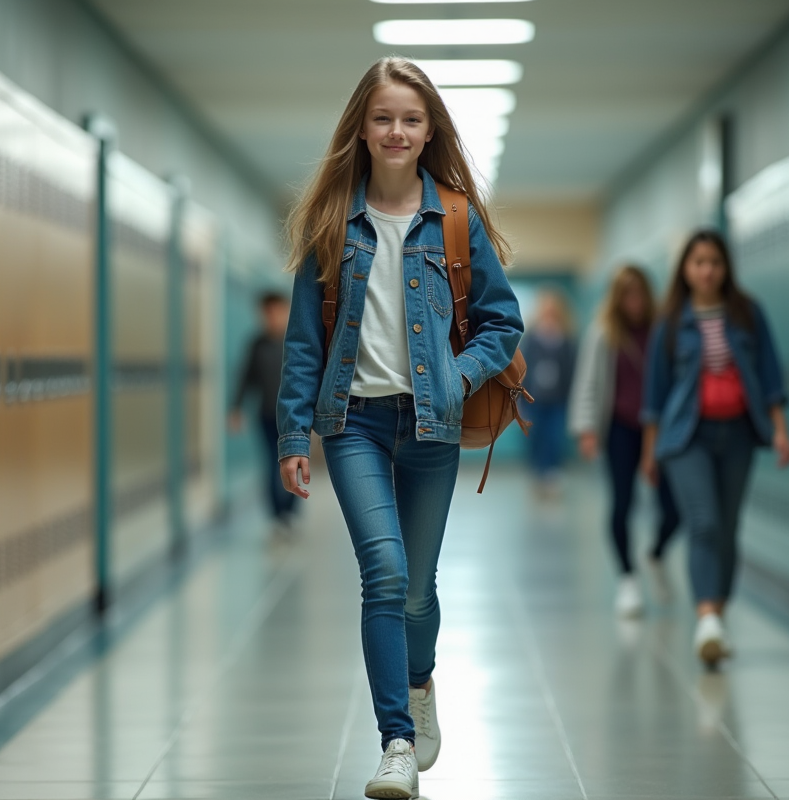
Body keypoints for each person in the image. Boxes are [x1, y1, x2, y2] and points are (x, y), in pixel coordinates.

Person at [276, 58, 523, 799]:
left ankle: (420, 683)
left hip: (431, 424)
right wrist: (294, 437)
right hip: (352, 422)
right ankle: (395, 741)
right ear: (362, 126)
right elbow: (302, 344)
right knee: (381, 573)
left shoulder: (453, 218)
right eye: (383, 117)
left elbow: (501, 323)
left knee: (417, 588)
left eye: (411, 119)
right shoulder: (330, 222)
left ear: (429, 131)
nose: (397, 130)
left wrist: (460, 373)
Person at [640, 230, 789, 668]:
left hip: (739, 433)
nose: (707, 270)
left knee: (727, 528)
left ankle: (717, 618)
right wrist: (651, 453)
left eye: (715, 263)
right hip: (688, 437)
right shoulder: (670, 323)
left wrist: (780, 431)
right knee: (703, 522)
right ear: (685, 270)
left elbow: (770, 379)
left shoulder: (747, 314)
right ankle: (706, 616)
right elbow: (656, 396)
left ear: (725, 269)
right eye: (699, 262)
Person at [569, 265, 680, 618]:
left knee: (675, 509)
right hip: (619, 428)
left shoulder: (663, 331)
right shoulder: (604, 333)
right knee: (622, 503)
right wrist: (587, 430)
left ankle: (657, 553)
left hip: (661, 430)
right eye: (626, 294)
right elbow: (588, 382)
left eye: (638, 293)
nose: (633, 301)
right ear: (617, 298)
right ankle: (628, 579)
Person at [229, 291, 295, 535]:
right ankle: (277, 516)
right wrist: (236, 409)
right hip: (267, 417)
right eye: (268, 313)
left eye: (277, 311)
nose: (273, 317)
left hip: (293, 419)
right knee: (271, 465)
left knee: (294, 464)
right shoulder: (256, 344)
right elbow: (245, 378)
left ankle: (290, 511)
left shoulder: (294, 342)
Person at [521, 290, 577, 495]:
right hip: (534, 400)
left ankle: (552, 477)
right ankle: (538, 475)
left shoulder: (566, 338)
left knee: (555, 438)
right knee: (536, 438)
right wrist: (521, 400)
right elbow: (522, 370)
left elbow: (571, 370)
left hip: (558, 399)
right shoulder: (531, 338)